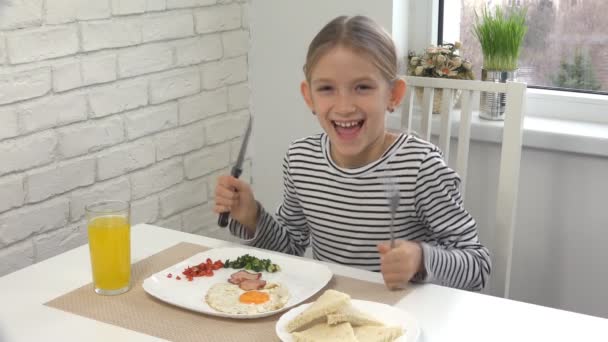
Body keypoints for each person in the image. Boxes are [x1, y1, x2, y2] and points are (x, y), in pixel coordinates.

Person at [214, 15, 491, 291]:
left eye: (362, 87)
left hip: (405, 320)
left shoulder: (421, 167)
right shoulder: (300, 160)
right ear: (309, 96)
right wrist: (251, 216)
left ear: (393, 94)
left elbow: (477, 266)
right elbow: (290, 249)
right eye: (326, 89)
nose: (344, 106)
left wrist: (420, 259)